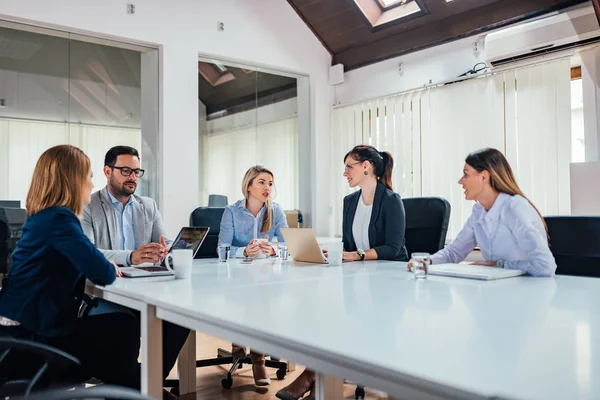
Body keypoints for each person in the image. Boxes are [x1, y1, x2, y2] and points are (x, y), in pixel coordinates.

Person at [0, 145, 140, 390]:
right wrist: (101, 262)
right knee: (122, 326)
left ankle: (132, 387)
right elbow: (103, 272)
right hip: (29, 344)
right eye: (88, 177)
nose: (91, 184)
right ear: (72, 180)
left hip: (15, 337)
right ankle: (132, 389)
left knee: (117, 326)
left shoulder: (43, 217)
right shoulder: (60, 220)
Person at [276, 145, 409, 400]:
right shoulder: (350, 202)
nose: (345, 173)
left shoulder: (391, 201)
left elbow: (394, 248)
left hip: (389, 281)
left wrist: (357, 255)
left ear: (366, 167)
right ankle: (318, 380)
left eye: (349, 166)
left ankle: (312, 377)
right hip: (359, 278)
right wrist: (332, 251)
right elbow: (349, 245)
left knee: (338, 317)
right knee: (326, 311)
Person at [81, 146, 190, 397]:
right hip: (105, 291)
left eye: (136, 171)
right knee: (125, 327)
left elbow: (164, 240)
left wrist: (165, 250)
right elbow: (89, 252)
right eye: (126, 170)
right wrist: (131, 257)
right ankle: (136, 387)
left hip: (143, 285)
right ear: (108, 171)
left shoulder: (147, 205)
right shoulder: (89, 205)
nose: (133, 177)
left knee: (178, 319)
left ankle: (144, 384)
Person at [413, 148, 556, 276]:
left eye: (466, 174)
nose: (460, 181)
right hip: (498, 290)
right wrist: (428, 261)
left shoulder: (514, 208)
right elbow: (454, 252)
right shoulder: (479, 211)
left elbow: (545, 265)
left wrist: (500, 266)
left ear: (484, 177)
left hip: (528, 292)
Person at [218, 165, 288, 386]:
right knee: (253, 297)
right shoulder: (232, 211)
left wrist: (274, 249)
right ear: (248, 186)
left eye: (270, 183)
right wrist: (244, 252)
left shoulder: (275, 210)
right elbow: (222, 248)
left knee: (263, 296)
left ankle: (254, 354)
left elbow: (287, 243)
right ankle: (257, 357)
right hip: (237, 274)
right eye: (261, 182)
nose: (267, 187)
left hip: (267, 273)